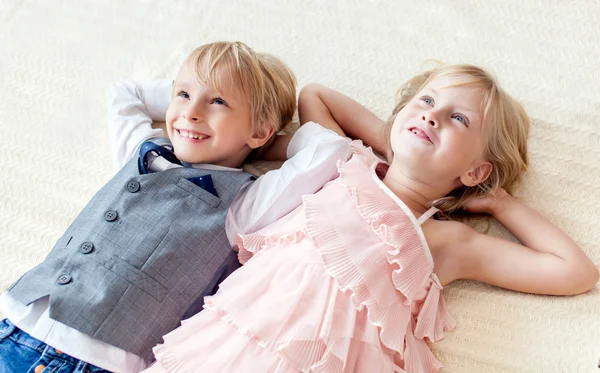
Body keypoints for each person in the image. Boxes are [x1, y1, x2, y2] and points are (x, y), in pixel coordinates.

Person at [143, 64, 599, 373]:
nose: (431, 116)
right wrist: (390, 139)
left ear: (476, 170)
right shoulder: (346, 161)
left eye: (457, 118)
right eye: (424, 102)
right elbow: (315, 95)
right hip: (242, 334)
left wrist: (500, 203)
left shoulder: (447, 241)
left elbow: (575, 271)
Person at [0, 41, 352, 372]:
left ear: (260, 132)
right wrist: (196, 92)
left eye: (218, 102)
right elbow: (125, 92)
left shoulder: (243, 204)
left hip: (91, 360)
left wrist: (274, 143)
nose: (191, 113)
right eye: (183, 95)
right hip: (13, 317)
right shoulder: (140, 150)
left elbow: (330, 149)